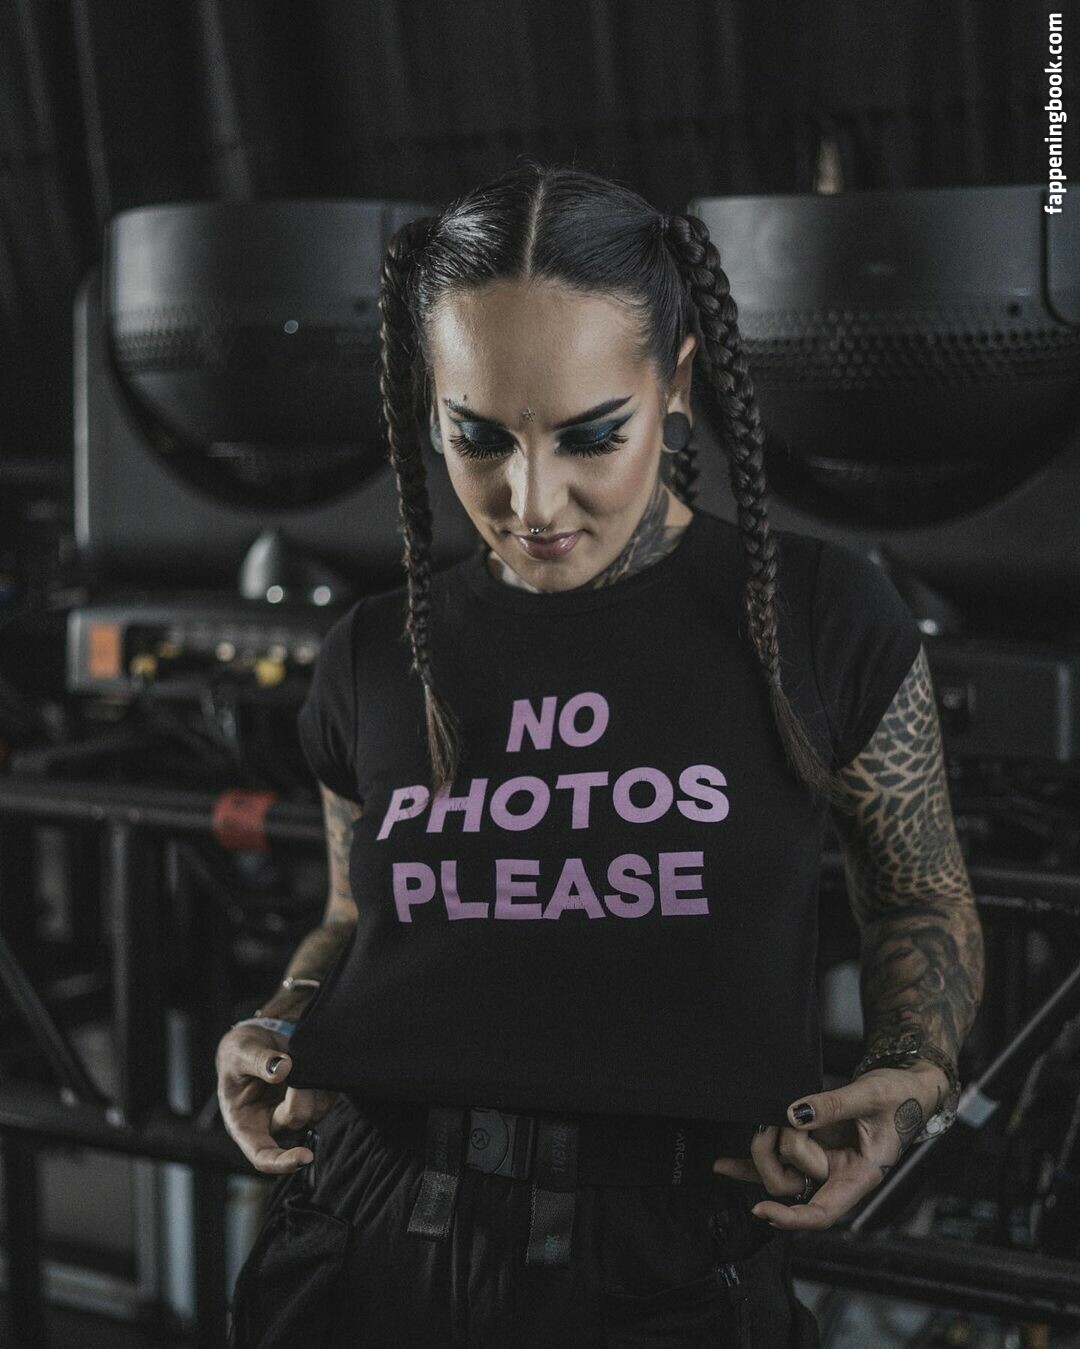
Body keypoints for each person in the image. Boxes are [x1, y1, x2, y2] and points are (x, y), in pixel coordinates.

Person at [217, 161, 985, 1347]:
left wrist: (909, 1073)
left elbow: (919, 895)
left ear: (674, 385)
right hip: (368, 1236)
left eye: (590, 436)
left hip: (664, 1262)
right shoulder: (373, 650)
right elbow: (353, 918)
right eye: (478, 437)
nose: (533, 499)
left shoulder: (821, 619)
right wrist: (277, 1021)